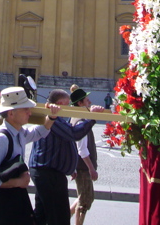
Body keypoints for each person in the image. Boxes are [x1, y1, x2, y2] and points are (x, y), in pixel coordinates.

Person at [0, 86, 60, 225]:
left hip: (13, 202)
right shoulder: (2, 139)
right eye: (25, 109)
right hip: (1, 207)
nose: (29, 112)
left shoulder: (19, 132)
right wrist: (18, 182)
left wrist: (51, 117)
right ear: (11, 113)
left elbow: (38, 132)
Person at [29, 89, 104, 225]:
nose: (69, 107)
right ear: (59, 103)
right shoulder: (53, 118)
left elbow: (65, 142)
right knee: (59, 217)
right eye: (67, 104)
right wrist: (92, 117)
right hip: (48, 173)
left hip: (48, 172)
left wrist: (70, 167)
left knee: (42, 215)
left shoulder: (56, 117)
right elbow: (73, 134)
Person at [69, 88, 98, 225]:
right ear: (80, 103)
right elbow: (82, 150)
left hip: (80, 167)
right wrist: (91, 169)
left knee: (85, 197)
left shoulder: (76, 117)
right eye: (87, 100)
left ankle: (65, 216)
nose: (90, 102)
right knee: (85, 201)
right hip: (83, 168)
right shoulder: (80, 121)